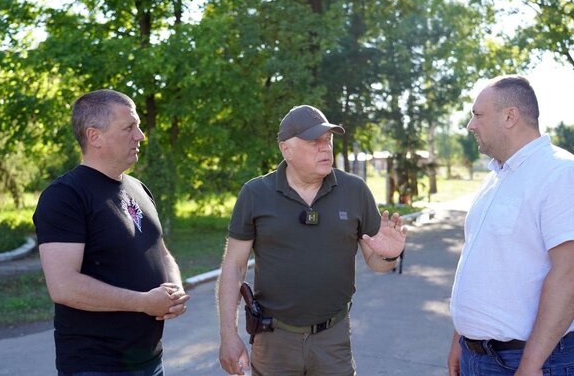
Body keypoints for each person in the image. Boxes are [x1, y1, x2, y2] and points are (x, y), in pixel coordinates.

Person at [217, 104, 408, 376]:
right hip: (273, 340)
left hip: (333, 339)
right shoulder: (256, 193)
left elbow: (376, 262)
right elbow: (233, 267)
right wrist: (228, 335)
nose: (325, 147)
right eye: (314, 141)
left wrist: (390, 255)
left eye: (328, 140)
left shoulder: (355, 191)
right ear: (286, 149)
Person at [33, 89, 190, 376]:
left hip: (150, 361)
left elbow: (160, 250)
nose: (140, 135)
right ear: (95, 137)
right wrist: (143, 303)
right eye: (129, 127)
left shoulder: (138, 188)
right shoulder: (65, 196)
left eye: (139, 126)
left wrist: (175, 288)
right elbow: (64, 286)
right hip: (96, 365)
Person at [447, 76, 574, 375]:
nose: (470, 125)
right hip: (476, 356)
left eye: (478, 115)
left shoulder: (560, 173)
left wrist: (531, 364)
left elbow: (568, 276)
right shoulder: (496, 176)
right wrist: (461, 338)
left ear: (509, 116)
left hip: (528, 361)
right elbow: (479, 263)